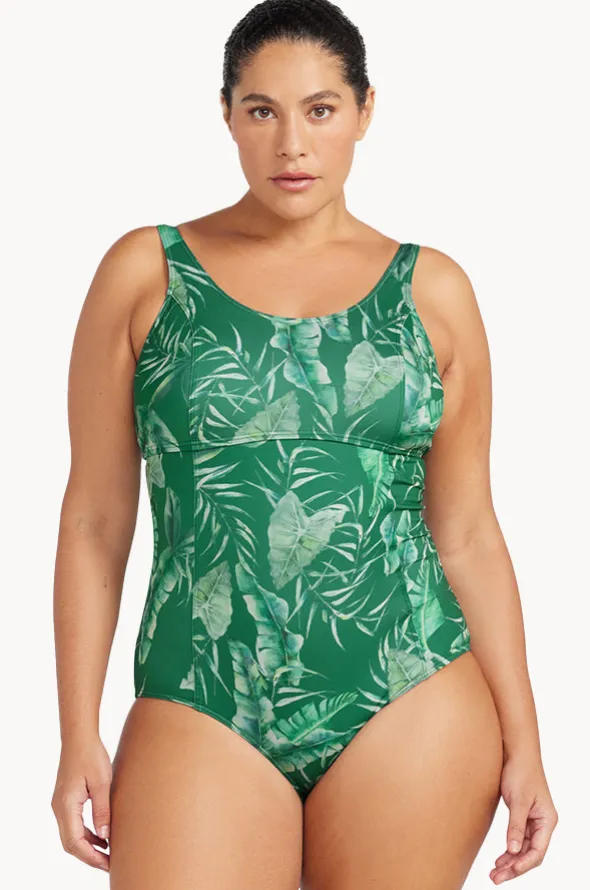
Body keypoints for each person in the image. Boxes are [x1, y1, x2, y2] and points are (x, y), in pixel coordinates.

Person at [50, 1, 558, 887]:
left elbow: (469, 532)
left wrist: (528, 744)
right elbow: (95, 519)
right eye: (262, 110)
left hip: (411, 690)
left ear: (365, 111)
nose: (292, 144)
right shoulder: (147, 274)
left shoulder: (432, 292)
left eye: (321, 109)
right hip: (200, 691)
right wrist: (75, 733)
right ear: (226, 115)